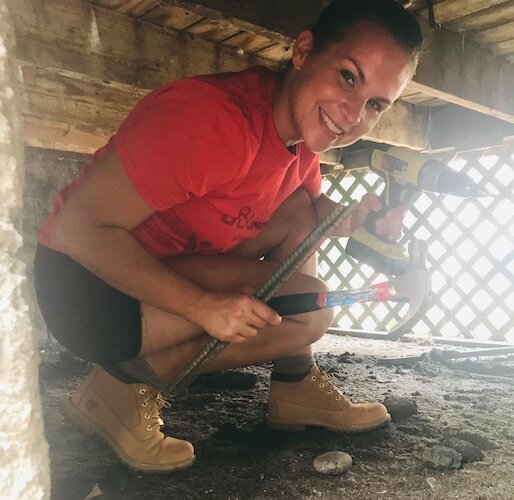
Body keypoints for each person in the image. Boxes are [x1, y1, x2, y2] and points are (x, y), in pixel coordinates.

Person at [34, 0, 422, 472]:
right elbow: (78, 229)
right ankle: (115, 391)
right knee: (308, 312)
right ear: (303, 51)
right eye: (348, 77)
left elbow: (307, 218)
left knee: (303, 212)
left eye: (376, 104)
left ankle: (295, 383)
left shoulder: (297, 143)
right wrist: (202, 307)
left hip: (163, 260)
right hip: (84, 286)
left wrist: (359, 220)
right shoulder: (216, 121)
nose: (353, 113)